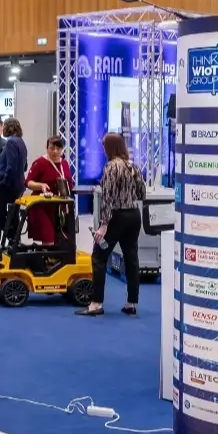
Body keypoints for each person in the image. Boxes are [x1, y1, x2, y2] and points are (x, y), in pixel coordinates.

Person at [77, 133, 144, 317]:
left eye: (104, 146)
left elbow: (107, 198)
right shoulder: (133, 166)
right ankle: (131, 303)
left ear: (110, 147)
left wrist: (103, 224)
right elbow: (142, 193)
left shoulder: (111, 167)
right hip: (133, 215)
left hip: (116, 217)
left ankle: (96, 304)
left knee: (99, 257)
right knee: (131, 258)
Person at [24, 136, 74, 245]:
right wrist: (41, 185)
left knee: (61, 240)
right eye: (52, 148)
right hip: (42, 206)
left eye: (58, 148)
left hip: (59, 207)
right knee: (48, 237)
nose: (55, 151)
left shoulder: (64, 164)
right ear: (47, 148)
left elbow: (70, 184)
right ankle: (47, 255)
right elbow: (28, 182)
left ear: (62, 149)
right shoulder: (40, 163)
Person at [0, 117, 28, 239]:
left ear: (8, 127)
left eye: (3, 126)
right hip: (18, 186)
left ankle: (1, 244)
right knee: (13, 217)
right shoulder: (21, 142)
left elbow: (11, 168)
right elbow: (24, 166)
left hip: (7, 188)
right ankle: (14, 243)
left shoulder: (11, 142)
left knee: (0, 217)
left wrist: (3, 183)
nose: (2, 129)